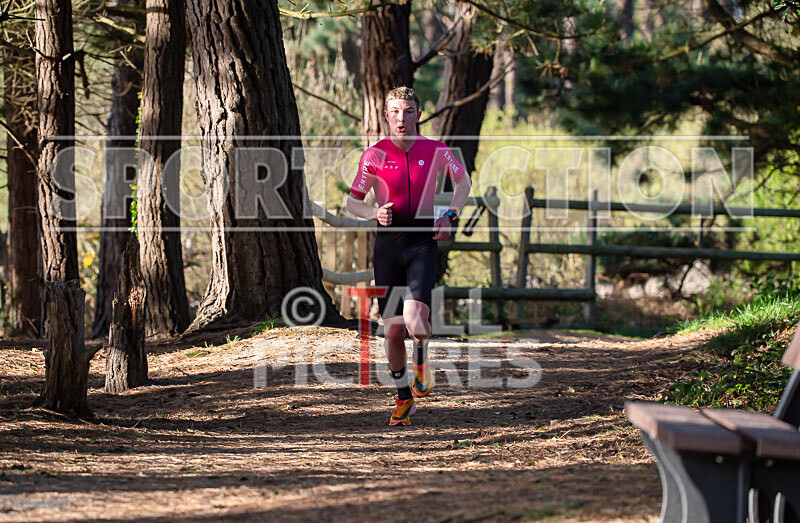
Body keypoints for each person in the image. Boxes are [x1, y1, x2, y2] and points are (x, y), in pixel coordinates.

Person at [346, 86, 472, 426]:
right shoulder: (374, 155)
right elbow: (352, 201)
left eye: (409, 111)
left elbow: (463, 183)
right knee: (392, 332)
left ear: (418, 114)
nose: (402, 118)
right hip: (388, 246)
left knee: (416, 322)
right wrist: (373, 211)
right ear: (387, 115)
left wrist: (450, 215)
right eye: (396, 112)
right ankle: (403, 398)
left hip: (422, 243)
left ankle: (422, 361)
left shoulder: (436, 150)